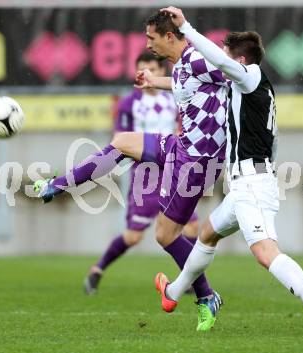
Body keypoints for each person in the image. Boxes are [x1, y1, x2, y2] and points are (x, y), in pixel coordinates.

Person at [152, 6, 303, 337]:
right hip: (247, 182)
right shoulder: (258, 89)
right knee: (207, 233)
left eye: (225, 57)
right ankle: (172, 293)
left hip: (251, 184)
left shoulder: (249, 75)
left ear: (239, 61)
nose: (219, 63)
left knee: (265, 252)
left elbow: (222, 64)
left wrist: (189, 29)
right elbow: (273, 139)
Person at [34, 11, 229, 331]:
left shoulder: (197, 58)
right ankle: (58, 184)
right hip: (181, 146)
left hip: (198, 161)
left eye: (152, 37)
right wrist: (155, 81)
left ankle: (206, 296)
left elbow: (231, 72)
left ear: (169, 36)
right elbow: (187, 83)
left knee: (166, 235)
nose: (147, 44)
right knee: (122, 142)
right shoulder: (182, 66)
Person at [84, 52, 200, 294]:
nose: (145, 74)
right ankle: (98, 269)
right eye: (141, 69)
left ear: (161, 72)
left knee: (190, 228)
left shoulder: (174, 99)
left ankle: (187, 279)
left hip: (174, 167)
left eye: (151, 69)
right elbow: (119, 139)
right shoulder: (129, 103)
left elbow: (185, 128)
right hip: (145, 174)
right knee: (133, 236)